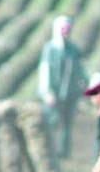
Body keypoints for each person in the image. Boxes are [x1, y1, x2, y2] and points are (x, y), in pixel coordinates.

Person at [37, 15, 88, 161]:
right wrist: (47, 92)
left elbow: (80, 70)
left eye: (68, 29)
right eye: (63, 29)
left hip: (70, 94)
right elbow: (45, 71)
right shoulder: (50, 49)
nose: (66, 32)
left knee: (67, 124)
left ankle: (64, 154)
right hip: (53, 94)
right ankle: (49, 152)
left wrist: (85, 85)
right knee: (52, 122)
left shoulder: (73, 49)